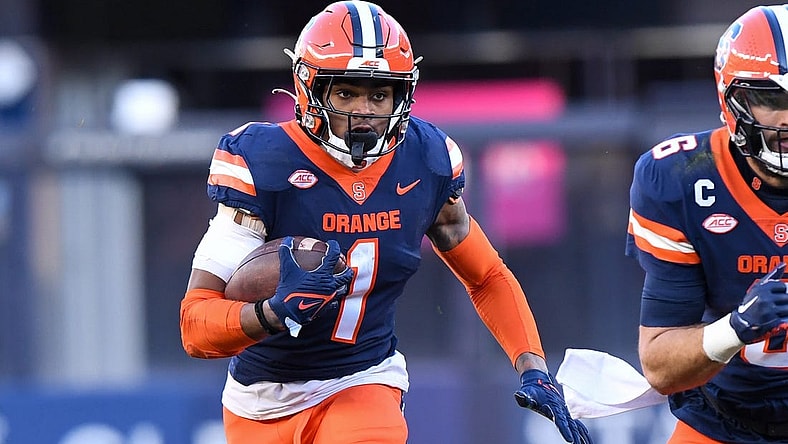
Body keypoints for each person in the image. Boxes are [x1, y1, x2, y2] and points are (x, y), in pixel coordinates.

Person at [178, 1, 591, 443]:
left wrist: (533, 367)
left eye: (379, 95)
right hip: (260, 398)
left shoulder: (424, 159)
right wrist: (272, 313)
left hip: (363, 377)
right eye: (346, 93)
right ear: (309, 88)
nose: (364, 111)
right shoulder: (263, 161)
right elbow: (195, 325)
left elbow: (486, 275)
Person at [626, 4, 788, 443]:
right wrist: (735, 328)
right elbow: (659, 363)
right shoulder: (682, 178)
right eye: (773, 98)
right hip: (722, 422)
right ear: (731, 98)